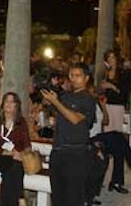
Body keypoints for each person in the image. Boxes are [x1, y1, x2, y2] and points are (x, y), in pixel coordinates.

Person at [41, 63, 95, 206]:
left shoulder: (88, 98)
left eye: (78, 75)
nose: (74, 79)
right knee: (58, 197)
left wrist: (56, 102)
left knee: (73, 198)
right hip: (58, 150)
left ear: (86, 78)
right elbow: (58, 112)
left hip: (75, 153)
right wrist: (48, 102)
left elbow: (75, 119)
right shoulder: (66, 96)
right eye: (71, 75)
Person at [0, 92, 31, 206]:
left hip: (17, 158)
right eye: (6, 101)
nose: (9, 104)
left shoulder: (21, 122)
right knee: (14, 166)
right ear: (2, 105)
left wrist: (23, 154)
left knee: (10, 173)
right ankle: (21, 198)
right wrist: (13, 154)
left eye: (12, 101)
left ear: (16, 105)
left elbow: (27, 143)